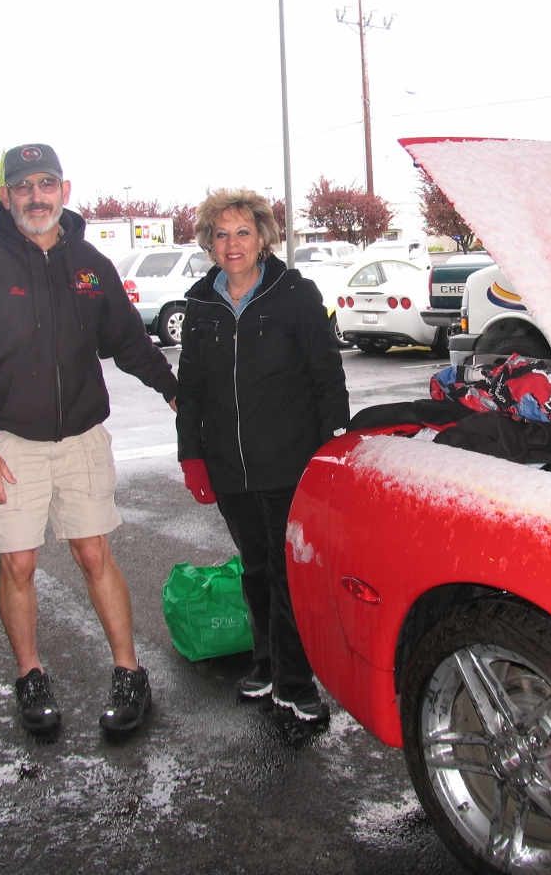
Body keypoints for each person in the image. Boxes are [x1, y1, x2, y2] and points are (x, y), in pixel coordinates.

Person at [0, 143, 178, 738]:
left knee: (95, 553)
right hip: (8, 442)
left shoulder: (89, 263)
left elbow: (126, 339)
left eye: (46, 183)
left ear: (64, 190)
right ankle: (30, 675)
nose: (35, 196)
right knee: (18, 563)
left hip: (82, 435)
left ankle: (129, 673)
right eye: (23, 187)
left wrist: (174, 391)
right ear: (8, 196)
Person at [176, 189, 348, 722]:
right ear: (209, 242)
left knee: (287, 573)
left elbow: (327, 375)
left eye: (243, 232)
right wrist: (192, 455)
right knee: (254, 568)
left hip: (290, 462)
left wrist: (331, 449)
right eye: (222, 234)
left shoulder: (295, 293)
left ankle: (296, 681)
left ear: (264, 237)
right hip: (229, 467)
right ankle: (267, 662)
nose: (233, 244)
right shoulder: (201, 302)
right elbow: (193, 387)